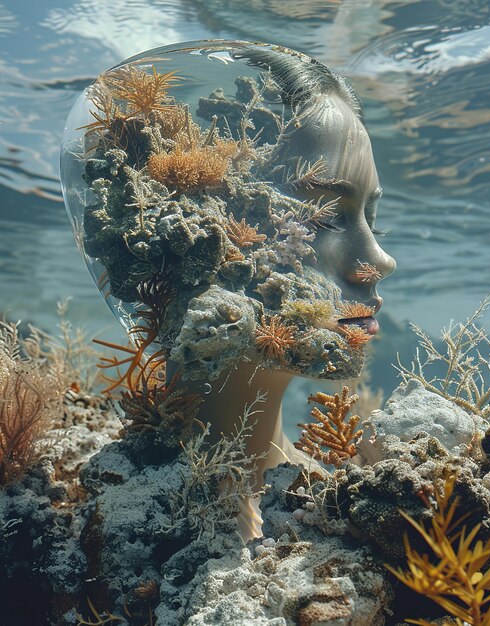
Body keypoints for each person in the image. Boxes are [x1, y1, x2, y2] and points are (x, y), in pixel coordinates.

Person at [167, 44, 396, 538]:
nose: (382, 259)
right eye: (329, 215)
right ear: (199, 230)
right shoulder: (155, 529)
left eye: (370, 217)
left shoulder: (331, 504)